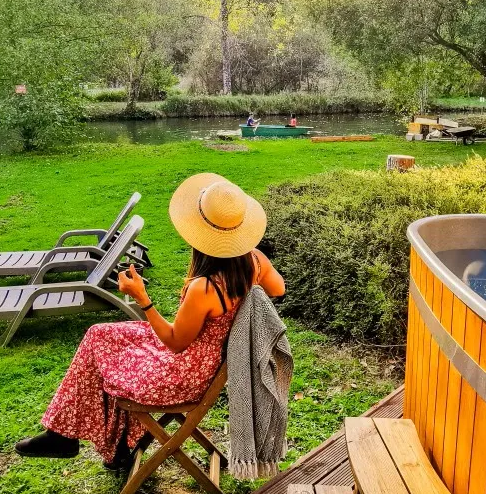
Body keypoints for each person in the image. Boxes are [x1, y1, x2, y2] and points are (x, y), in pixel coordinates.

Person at [16, 174, 286, 469]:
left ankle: (76, 439)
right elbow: (277, 290)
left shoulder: (205, 288)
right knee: (100, 336)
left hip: (184, 375)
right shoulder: (255, 261)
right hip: (206, 360)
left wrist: (142, 297)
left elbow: (175, 343)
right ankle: (106, 444)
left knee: (108, 357)